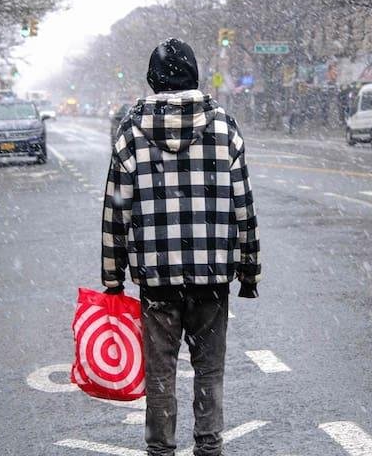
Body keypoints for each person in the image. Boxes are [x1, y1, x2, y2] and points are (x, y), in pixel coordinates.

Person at [101, 38, 261, 456]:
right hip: (212, 275)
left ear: (153, 80)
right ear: (194, 76)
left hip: (157, 277)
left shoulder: (131, 131)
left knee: (160, 374)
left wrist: (113, 277)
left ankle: (161, 450)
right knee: (209, 370)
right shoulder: (225, 127)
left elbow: (116, 211)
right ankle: (209, 447)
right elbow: (243, 206)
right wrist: (248, 269)